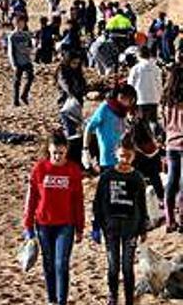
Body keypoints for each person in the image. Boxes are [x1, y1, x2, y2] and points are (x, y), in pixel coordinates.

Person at [22, 133, 85, 305]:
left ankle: (62, 301)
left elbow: (78, 201)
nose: (57, 157)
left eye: (61, 153)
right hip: (43, 224)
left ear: (66, 152)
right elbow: (32, 199)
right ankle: (52, 300)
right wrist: (28, 226)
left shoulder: (73, 170)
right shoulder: (39, 169)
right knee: (48, 264)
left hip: (66, 225)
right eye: (54, 153)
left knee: (61, 264)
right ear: (49, 151)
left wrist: (80, 227)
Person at [92, 139, 148, 305]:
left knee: (127, 267)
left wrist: (143, 228)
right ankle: (113, 296)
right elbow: (97, 202)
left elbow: (142, 204)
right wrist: (96, 226)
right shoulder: (107, 176)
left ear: (133, 156)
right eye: (122, 156)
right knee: (113, 265)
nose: (124, 160)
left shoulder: (137, 177)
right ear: (116, 154)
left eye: (128, 157)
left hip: (131, 228)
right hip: (111, 228)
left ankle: (129, 299)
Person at [85, 85, 137, 173]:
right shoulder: (105, 108)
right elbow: (89, 127)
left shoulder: (124, 112)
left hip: (124, 158)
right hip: (107, 159)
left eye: (130, 100)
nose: (128, 102)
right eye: (123, 98)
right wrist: (85, 149)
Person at [163, 63, 183, 231]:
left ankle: (170, 220)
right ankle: (182, 218)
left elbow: (164, 124)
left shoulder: (166, 101)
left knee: (171, 182)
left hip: (171, 143)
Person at [127, 46, 162, 126]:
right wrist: (159, 98)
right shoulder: (156, 68)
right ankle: (155, 136)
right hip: (154, 99)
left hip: (140, 99)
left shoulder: (135, 69)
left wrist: (130, 101)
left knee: (141, 123)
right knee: (153, 121)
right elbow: (159, 84)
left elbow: (130, 85)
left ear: (138, 55)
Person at [7, 14, 34, 106]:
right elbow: (10, 51)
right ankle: (15, 100)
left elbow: (31, 46)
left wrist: (29, 51)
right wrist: (13, 64)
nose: (20, 24)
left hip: (27, 60)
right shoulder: (12, 36)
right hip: (18, 62)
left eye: (22, 22)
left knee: (30, 78)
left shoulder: (26, 35)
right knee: (16, 82)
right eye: (18, 22)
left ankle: (24, 95)